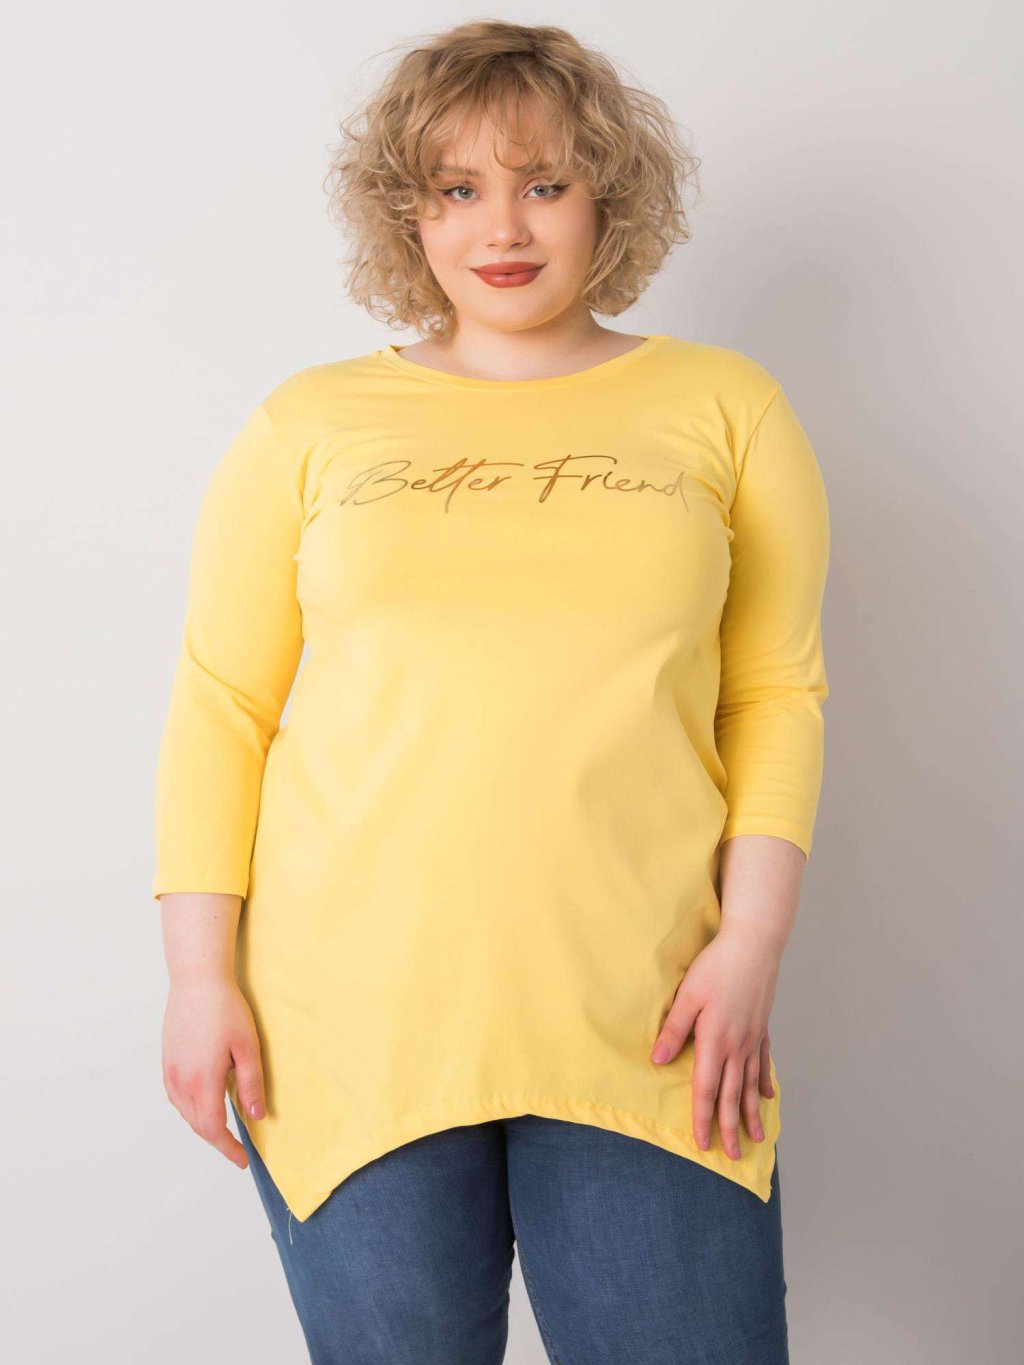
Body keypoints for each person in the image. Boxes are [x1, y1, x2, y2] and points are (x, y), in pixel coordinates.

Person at [152, 19, 830, 1365]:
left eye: (544, 183)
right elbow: (222, 704)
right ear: (406, 212)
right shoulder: (309, 423)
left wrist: (752, 940)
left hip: (651, 1019)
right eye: (456, 188)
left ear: (608, 195)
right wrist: (196, 975)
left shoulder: (726, 405)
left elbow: (773, 691)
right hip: (347, 1024)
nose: (502, 228)